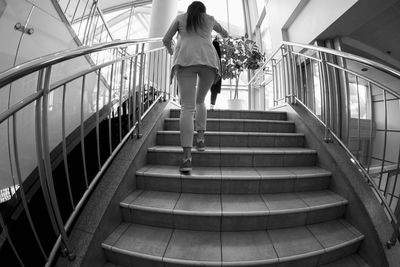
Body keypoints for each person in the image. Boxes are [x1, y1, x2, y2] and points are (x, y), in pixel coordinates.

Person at [163, 1, 229, 172]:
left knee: (187, 107)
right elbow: (225, 33)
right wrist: (213, 35)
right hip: (208, 61)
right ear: (203, 10)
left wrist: (173, 52)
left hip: (185, 61)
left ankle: (187, 159)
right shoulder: (209, 19)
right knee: (200, 101)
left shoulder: (180, 18)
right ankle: (200, 140)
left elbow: (166, 39)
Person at [210, 36, 222, 109]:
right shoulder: (216, 45)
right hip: (217, 69)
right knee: (214, 88)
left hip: (209, 67)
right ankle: (212, 105)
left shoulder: (210, 48)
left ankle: (211, 104)